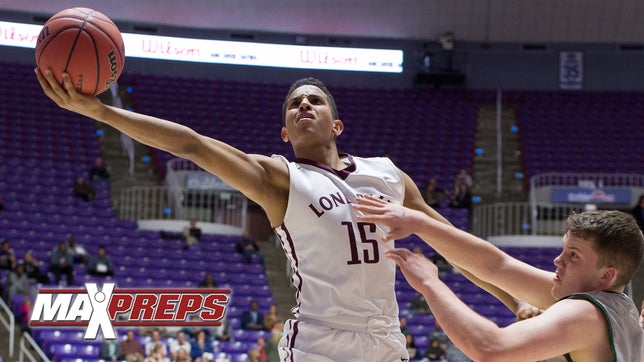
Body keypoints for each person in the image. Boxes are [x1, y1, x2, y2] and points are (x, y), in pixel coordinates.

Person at [35, 71, 515, 361]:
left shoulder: (388, 175)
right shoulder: (278, 178)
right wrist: (101, 111)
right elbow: (190, 143)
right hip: (320, 344)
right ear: (285, 132)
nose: (303, 104)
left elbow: (454, 245)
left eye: (315, 100)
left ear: (337, 123)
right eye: (293, 105)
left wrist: (516, 301)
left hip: (387, 339)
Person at [353, 195, 644, 361]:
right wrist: (421, 224)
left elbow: (489, 349)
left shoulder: (585, 312)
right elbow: (496, 265)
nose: (558, 261)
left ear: (607, 275)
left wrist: (430, 283)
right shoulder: (618, 305)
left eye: (574, 256)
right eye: (564, 250)